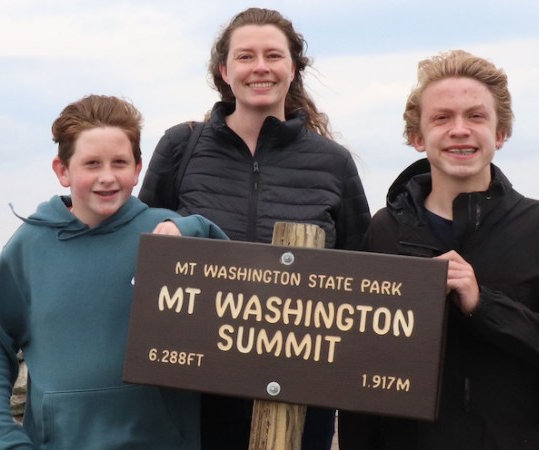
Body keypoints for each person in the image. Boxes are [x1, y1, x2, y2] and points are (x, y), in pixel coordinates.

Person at [336, 50, 539, 449]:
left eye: (476, 116)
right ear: (417, 137)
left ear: (500, 134)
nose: (459, 130)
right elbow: (358, 360)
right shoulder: (384, 231)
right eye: (441, 118)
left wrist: (484, 305)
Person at [139, 7, 371, 450]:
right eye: (246, 57)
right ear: (224, 71)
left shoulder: (333, 163)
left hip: (303, 391)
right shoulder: (180, 147)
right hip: (193, 390)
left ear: (293, 68)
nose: (260, 67)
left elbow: (360, 271)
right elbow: (143, 256)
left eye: (273, 56)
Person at [0, 94, 227, 449]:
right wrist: (4, 439)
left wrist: (197, 229)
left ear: (138, 168)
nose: (107, 177)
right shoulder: (30, 247)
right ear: (62, 170)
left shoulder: (166, 234)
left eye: (119, 162)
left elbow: (239, 295)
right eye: (91, 164)